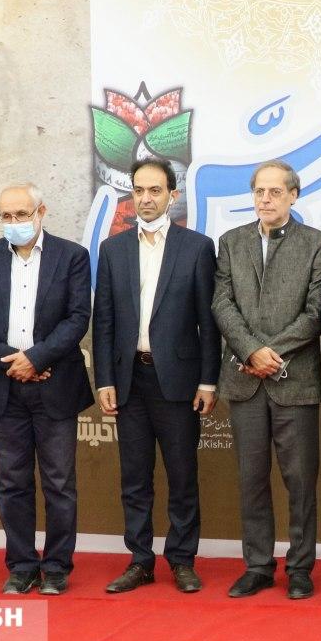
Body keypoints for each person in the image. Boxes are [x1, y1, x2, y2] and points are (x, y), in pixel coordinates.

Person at [93, 159, 220, 594]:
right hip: (129, 380)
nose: (145, 198)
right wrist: (105, 379)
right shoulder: (113, 249)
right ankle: (140, 560)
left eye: (155, 190)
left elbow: (208, 322)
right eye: (139, 190)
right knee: (135, 479)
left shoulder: (197, 247)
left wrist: (208, 381)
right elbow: (103, 320)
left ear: (172, 195)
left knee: (182, 477)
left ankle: (182, 560)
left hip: (179, 381)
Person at [0, 183, 93, 595]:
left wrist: (35, 358)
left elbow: (77, 318)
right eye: (7, 216)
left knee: (59, 483)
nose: (15, 222)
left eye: (22, 214)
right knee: (12, 483)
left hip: (55, 384)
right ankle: (21, 566)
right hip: (4, 388)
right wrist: (11, 361)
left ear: (41, 212)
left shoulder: (72, 256)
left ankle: (56, 567)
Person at [213, 159, 321, 601]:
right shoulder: (231, 242)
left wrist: (271, 353)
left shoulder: (317, 245)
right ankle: (258, 566)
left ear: (293, 195)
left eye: (275, 192)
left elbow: (316, 314)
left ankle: (300, 568)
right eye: (259, 192)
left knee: (300, 482)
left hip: (294, 381)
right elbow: (222, 303)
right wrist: (251, 351)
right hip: (244, 378)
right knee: (251, 480)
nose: (265, 199)